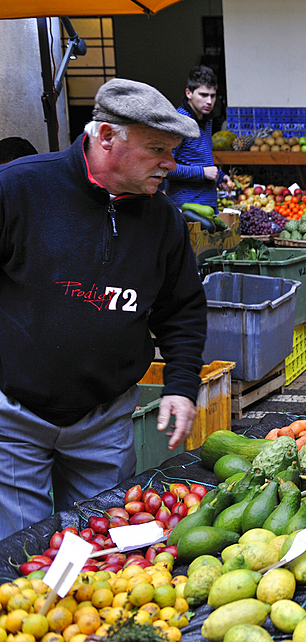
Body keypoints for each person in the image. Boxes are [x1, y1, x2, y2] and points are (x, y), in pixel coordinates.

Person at [0, 78, 208, 539]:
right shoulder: (19, 189)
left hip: (106, 419)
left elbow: (183, 309)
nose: (170, 165)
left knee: (109, 548)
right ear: (107, 136)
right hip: (15, 417)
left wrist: (180, 383)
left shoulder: (163, 218)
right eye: (158, 149)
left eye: (173, 151)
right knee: (21, 555)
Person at [164, 65, 229, 209]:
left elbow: (196, 160)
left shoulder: (207, 120)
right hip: (185, 209)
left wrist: (219, 177)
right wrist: (203, 173)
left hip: (208, 208)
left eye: (212, 96)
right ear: (189, 93)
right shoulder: (179, 122)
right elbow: (165, 168)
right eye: (203, 95)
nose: (209, 101)